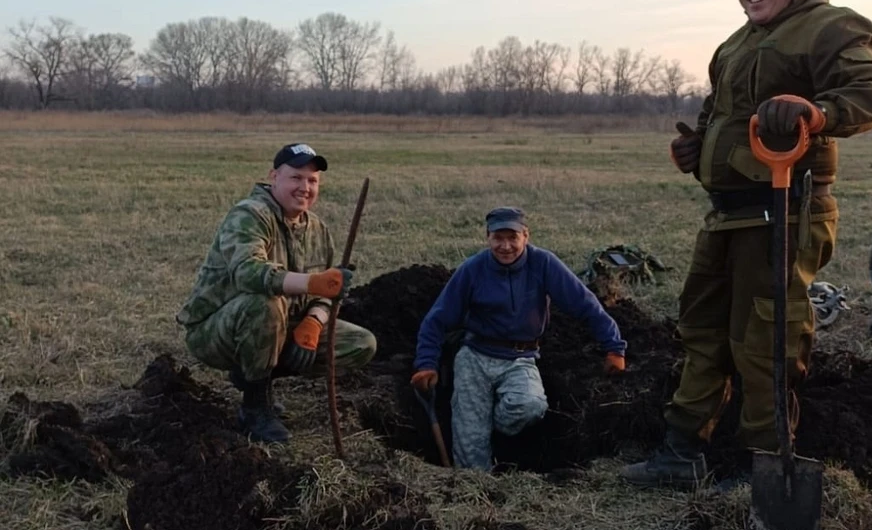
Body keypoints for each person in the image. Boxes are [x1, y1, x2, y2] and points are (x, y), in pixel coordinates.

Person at [621, 0, 872, 487]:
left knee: (766, 339)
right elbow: (714, 115)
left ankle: (764, 468)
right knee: (701, 330)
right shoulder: (735, 44)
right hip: (727, 213)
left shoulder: (831, 26)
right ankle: (680, 453)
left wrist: (816, 113)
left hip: (786, 210)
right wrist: (698, 150)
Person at [176, 143, 377, 443]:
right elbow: (248, 273)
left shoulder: (318, 230)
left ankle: (255, 374)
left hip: (282, 325)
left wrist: (314, 322)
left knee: (362, 343)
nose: (305, 188)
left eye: (312, 181)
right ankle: (255, 408)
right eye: (296, 178)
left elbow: (326, 291)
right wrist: (312, 283)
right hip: (216, 331)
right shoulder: (250, 214)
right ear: (274, 177)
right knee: (265, 304)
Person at [411, 206, 628, 471]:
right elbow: (437, 319)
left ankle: (494, 429)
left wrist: (614, 348)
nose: (505, 246)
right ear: (487, 237)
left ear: (526, 236)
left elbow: (585, 304)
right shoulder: (472, 269)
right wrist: (426, 364)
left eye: (512, 237)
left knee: (530, 406)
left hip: (520, 357)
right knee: (470, 442)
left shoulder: (544, 264)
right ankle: (475, 490)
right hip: (475, 356)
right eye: (498, 238)